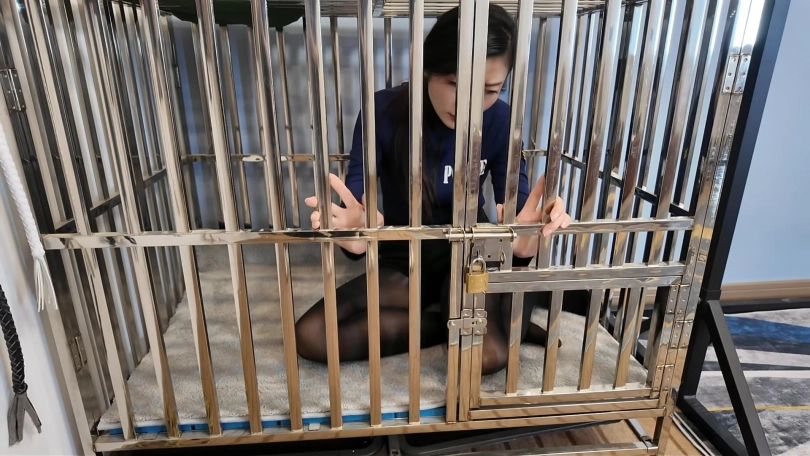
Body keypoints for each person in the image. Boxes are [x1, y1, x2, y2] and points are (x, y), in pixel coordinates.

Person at [295, 4, 589, 375]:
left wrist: (525, 240)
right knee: (312, 336)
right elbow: (355, 205)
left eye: (490, 90)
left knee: (483, 358)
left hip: (473, 253)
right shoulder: (383, 110)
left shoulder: (501, 120)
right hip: (407, 256)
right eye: (456, 84)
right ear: (427, 67)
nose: (470, 105)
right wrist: (355, 235)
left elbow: (515, 210)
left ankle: (498, 308)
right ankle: (459, 321)